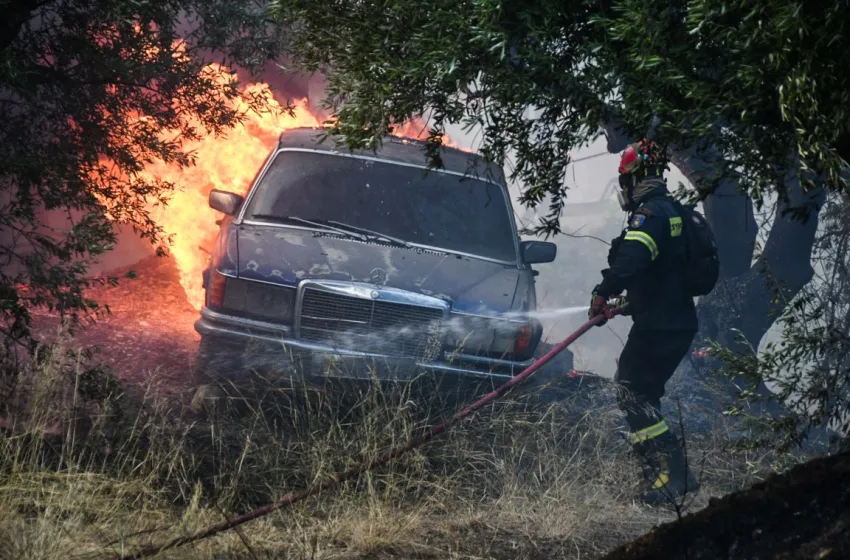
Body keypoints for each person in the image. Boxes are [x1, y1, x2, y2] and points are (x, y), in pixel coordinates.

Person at [588, 140, 700, 505]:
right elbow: (662, 274)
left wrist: (603, 292)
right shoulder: (676, 213)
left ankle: (675, 474)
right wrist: (629, 302)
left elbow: (633, 259)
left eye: (625, 181)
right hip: (672, 320)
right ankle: (656, 475)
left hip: (661, 325)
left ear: (634, 179)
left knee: (632, 393)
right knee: (638, 393)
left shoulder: (650, 216)